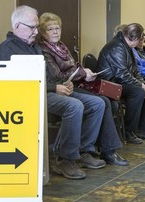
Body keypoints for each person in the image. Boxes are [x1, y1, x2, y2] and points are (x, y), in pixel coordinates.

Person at [0, 6, 107, 180]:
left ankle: (84, 150)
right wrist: (54, 88)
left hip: (45, 90)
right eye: (31, 27)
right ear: (17, 27)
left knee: (97, 103)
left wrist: (63, 85)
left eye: (36, 27)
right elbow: (18, 83)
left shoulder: (33, 47)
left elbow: (47, 76)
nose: (35, 31)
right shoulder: (7, 49)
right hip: (28, 97)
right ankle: (65, 159)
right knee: (74, 106)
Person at [38, 12, 129, 167]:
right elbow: (57, 75)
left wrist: (85, 71)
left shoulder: (61, 46)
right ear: (42, 32)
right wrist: (82, 74)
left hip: (73, 84)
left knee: (105, 101)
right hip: (58, 88)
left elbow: (74, 66)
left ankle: (92, 149)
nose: (55, 32)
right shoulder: (43, 49)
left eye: (57, 28)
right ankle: (98, 150)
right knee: (101, 102)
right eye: (50, 29)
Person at [97, 23, 145, 143]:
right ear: (135, 38)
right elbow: (121, 74)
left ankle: (142, 128)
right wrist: (141, 86)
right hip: (109, 83)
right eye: (140, 39)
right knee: (138, 92)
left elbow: (135, 70)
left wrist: (143, 83)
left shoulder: (126, 46)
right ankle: (129, 131)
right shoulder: (117, 47)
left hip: (119, 81)